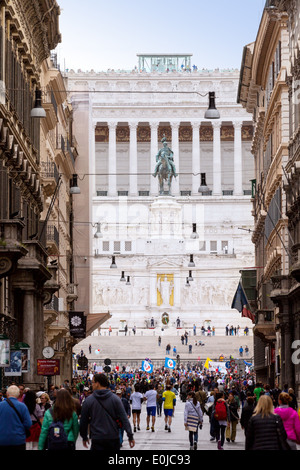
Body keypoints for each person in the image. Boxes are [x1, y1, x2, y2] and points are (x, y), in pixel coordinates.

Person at [80, 373, 135, 451]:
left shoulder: (89, 401)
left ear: (97, 384)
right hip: (113, 438)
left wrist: (84, 437)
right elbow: (124, 419)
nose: (91, 385)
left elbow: (83, 421)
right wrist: (130, 436)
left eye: (93, 382)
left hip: (97, 439)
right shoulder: (115, 399)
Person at [0, 385, 32, 450]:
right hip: (18, 440)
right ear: (18, 394)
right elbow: (28, 424)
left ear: (7, 394)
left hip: (2, 439)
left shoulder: (0, 405)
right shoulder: (22, 406)